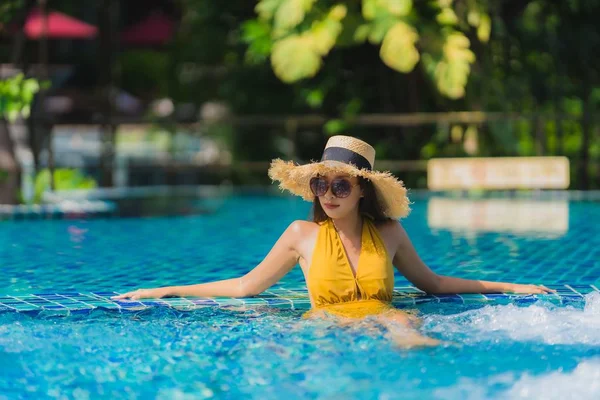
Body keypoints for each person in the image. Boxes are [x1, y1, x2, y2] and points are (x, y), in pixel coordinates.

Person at [112, 135, 555, 347]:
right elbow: (247, 286)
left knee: (407, 332)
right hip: (324, 330)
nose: (328, 195)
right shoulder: (300, 236)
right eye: (322, 185)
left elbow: (433, 285)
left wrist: (512, 288)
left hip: (390, 322)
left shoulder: (390, 234)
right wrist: (165, 289)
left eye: (341, 187)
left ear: (363, 191)